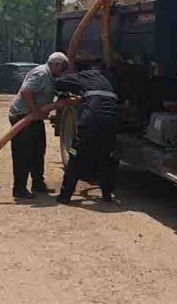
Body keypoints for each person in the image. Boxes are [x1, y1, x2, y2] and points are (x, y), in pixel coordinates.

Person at [54, 66, 119, 204]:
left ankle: (65, 196)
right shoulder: (109, 80)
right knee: (107, 160)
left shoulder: (85, 75)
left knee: (75, 158)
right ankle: (107, 196)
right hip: (110, 123)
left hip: (89, 124)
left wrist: (63, 94)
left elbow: (60, 82)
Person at [8, 52, 68, 199]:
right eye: (62, 69)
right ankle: (19, 189)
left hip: (34, 118)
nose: (62, 73)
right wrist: (34, 112)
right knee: (23, 154)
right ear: (57, 65)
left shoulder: (50, 76)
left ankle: (38, 184)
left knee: (38, 151)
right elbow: (26, 91)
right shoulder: (41, 73)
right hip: (22, 117)